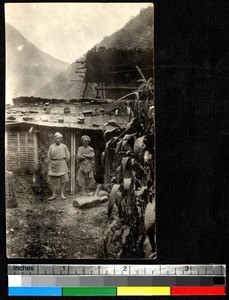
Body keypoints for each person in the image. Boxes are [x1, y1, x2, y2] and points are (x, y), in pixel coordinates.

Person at [47, 132, 70, 200]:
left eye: (59, 138)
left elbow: (68, 156)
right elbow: (49, 157)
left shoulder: (64, 146)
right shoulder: (51, 147)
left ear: (61, 139)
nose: (58, 140)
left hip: (62, 163)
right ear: (54, 139)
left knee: (63, 180)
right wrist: (51, 164)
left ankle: (62, 194)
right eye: (57, 138)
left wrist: (64, 162)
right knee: (53, 181)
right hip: (54, 164)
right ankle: (54, 195)